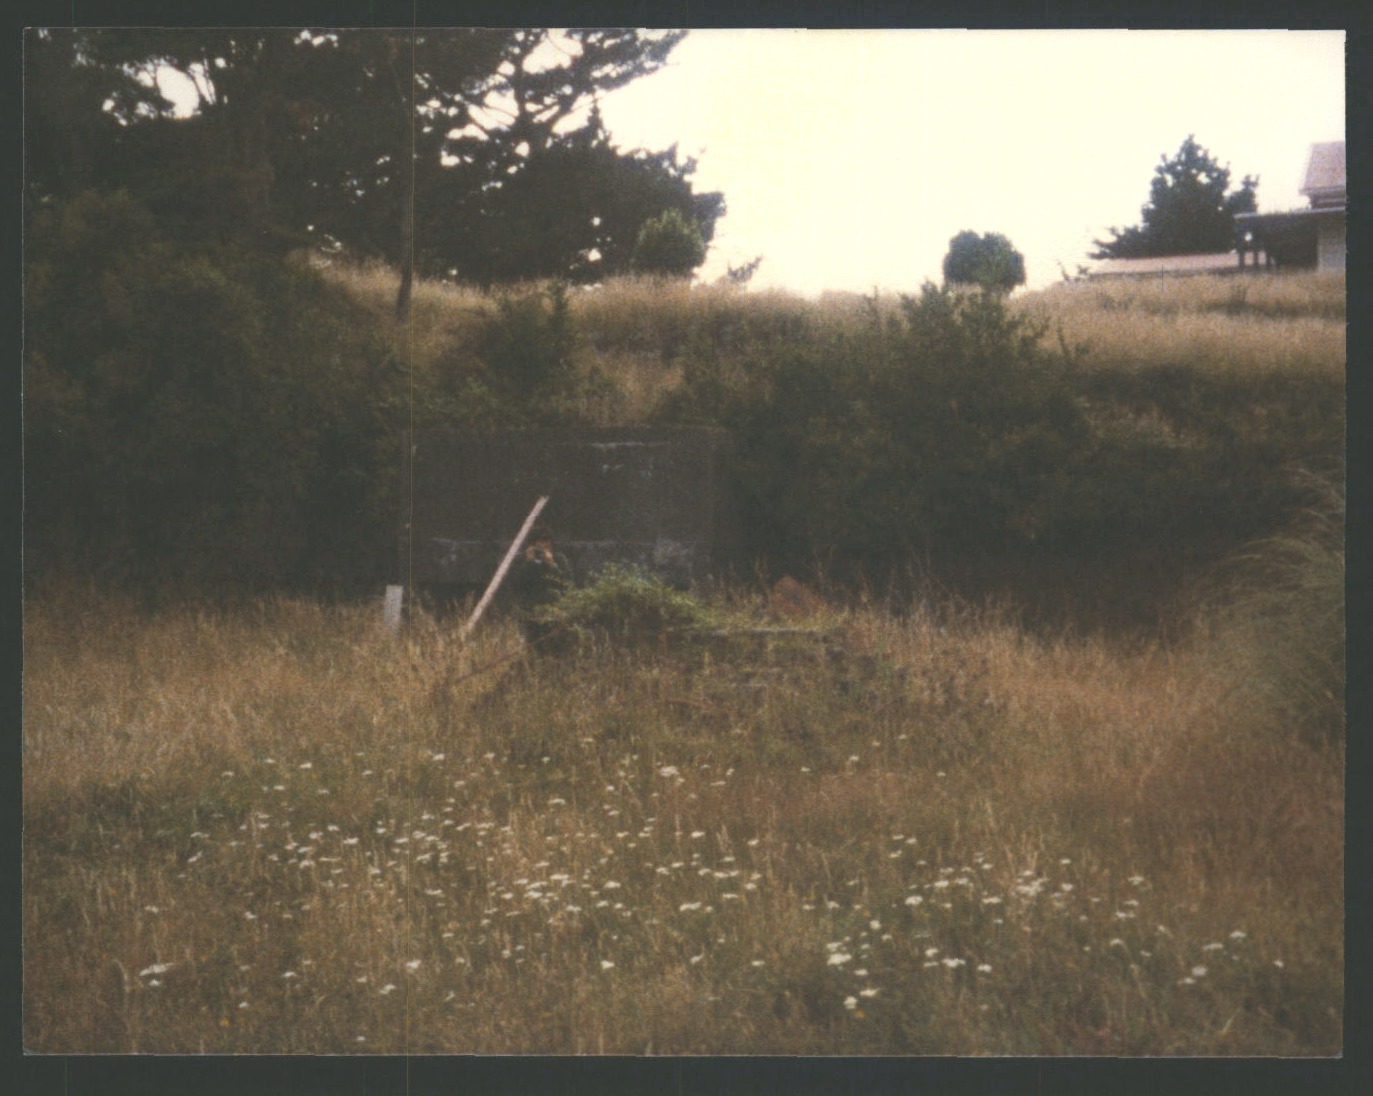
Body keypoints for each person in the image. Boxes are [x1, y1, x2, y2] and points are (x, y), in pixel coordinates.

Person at [507, 524, 572, 646]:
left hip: (554, 612)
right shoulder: (523, 560)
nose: (545, 545)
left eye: (548, 541)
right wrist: (529, 563)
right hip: (531, 614)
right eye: (542, 541)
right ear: (533, 544)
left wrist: (551, 564)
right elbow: (517, 585)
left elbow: (566, 584)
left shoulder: (559, 559)